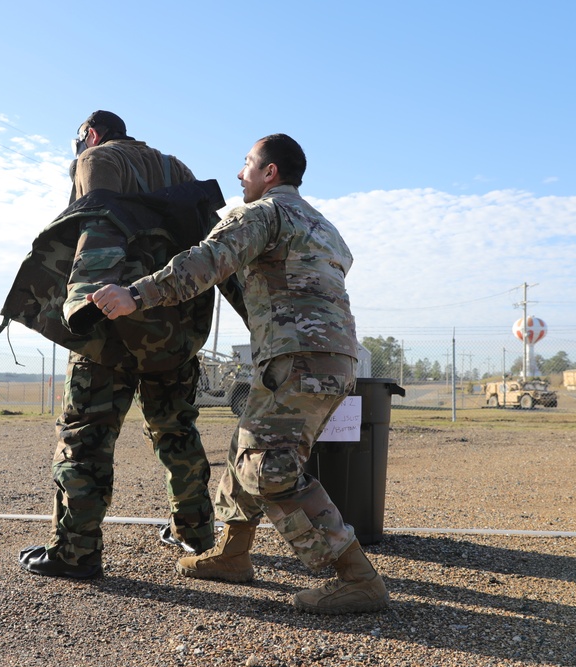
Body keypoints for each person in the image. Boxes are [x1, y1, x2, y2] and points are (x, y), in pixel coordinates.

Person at [87, 133, 389, 613]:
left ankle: (355, 576)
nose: (239, 173)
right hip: (327, 358)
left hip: (299, 359)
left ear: (270, 173)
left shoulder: (264, 213)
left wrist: (136, 295)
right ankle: (234, 553)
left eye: (247, 164)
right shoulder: (324, 226)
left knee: (269, 467)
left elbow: (207, 261)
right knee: (244, 446)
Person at [16, 111, 231, 579]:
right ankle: (195, 536)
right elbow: (214, 245)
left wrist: (80, 303)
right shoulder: (179, 169)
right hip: (175, 331)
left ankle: (76, 551)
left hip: (109, 327)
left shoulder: (95, 158)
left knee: (84, 437)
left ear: (90, 134)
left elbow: (97, 226)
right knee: (177, 434)